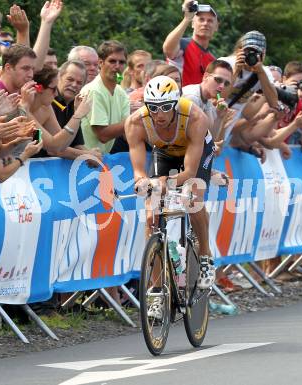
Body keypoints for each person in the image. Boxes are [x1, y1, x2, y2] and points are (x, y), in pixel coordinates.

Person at [125, 76, 216, 308]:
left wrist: (166, 180)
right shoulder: (135, 123)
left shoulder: (195, 117)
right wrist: (143, 181)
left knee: (192, 198)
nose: (160, 114)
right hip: (164, 152)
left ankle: (205, 258)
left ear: (176, 104)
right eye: (153, 108)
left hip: (195, 152)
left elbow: (189, 171)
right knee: (151, 215)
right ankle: (155, 290)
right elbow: (138, 170)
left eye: (166, 107)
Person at [80, 40, 130, 154]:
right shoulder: (93, 90)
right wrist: (137, 118)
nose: (117, 66)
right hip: (81, 160)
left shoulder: (121, 93)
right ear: (100, 63)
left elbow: (127, 134)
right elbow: (103, 135)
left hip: (100, 159)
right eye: (112, 61)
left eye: (122, 62)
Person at [163, 0, 218, 87]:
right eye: (201, 19)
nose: (205, 23)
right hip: (178, 98)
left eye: (210, 21)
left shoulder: (213, 60)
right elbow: (168, 49)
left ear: (216, 27)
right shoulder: (182, 45)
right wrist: (187, 18)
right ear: (192, 23)